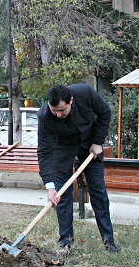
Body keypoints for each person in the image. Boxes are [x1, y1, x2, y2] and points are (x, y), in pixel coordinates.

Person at [37, 84, 118, 257]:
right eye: (54, 111)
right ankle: (65, 243)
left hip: (90, 144)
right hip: (63, 148)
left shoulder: (84, 93)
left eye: (61, 110)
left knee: (98, 191)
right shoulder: (44, 116)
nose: (58, 115)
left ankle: (109, 241)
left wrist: (97, 141)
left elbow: (105, 113)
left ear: (71, 101)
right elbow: (44, 152)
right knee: (63, 195)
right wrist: (50, 186)